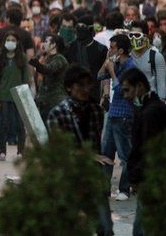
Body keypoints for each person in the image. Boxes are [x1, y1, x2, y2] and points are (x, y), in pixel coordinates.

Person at [47, 65, 115, 236]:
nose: (85, 90)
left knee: (105, 228)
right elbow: (59, 150)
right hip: (68, 177)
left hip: (93, 177)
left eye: (87, 85)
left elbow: (95, 141)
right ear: (69, 87)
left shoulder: (96, 111)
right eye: (80, 85)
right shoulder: (58, 113)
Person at [120, 68, 166, 236]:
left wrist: (136, 176)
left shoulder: (150, 112)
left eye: (128, 90)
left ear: (139, 86)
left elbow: (148, 148)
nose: (126, 95)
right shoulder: (152, 108)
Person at [97, 33, 136, 202]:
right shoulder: (116, 63)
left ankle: (124, 189)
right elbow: (99, 76)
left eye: (112, 48)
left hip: (124, 116)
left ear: (120, 50)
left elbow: (123, 91)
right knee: (106, 154)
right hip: (113, 114)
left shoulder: (130, 66)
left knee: (125, 156)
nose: (110, 50)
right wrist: (106, 64)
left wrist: (112, 71)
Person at [0, 32, 31, 160]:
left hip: (19, 95)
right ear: (4, 43)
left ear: (17, 42)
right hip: (3, 96)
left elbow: (26, 78)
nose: (10, 42)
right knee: (3, 124)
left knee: (20, 124)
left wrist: (26, 96)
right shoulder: (0, 58)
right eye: (8, 39)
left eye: (13, 39)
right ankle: (2, 151)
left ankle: (21, 151)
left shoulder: (22, 58)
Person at [30, 34, 69, 120]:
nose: (44, 44)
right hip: (46, 102)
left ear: (53, 45)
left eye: (46, 41)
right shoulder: (48, 58)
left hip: (55, 102)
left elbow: (48, 69)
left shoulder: (60, 59)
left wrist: (38, 65)